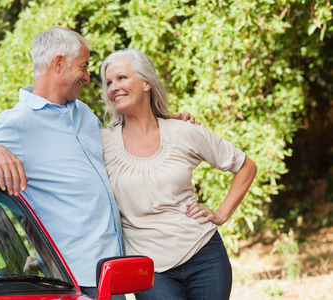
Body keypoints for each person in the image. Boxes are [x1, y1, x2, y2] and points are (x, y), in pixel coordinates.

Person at [0, 27, 194, 298]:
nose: (88, 78)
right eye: (83, 67)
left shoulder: (85, 115)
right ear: (58, 63)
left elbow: (123, 142)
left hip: (111, 268)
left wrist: (164, 123)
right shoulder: (18, 122)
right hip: (74, 274)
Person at [99, 49, 257, 300]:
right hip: (149, 270)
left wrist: (222, 213)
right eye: (108, 82)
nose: (113, 87)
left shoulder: (184, 131)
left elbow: (245, 166)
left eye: (121, 78)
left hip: (204, 255)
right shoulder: (102, 142)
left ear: (146, 83)